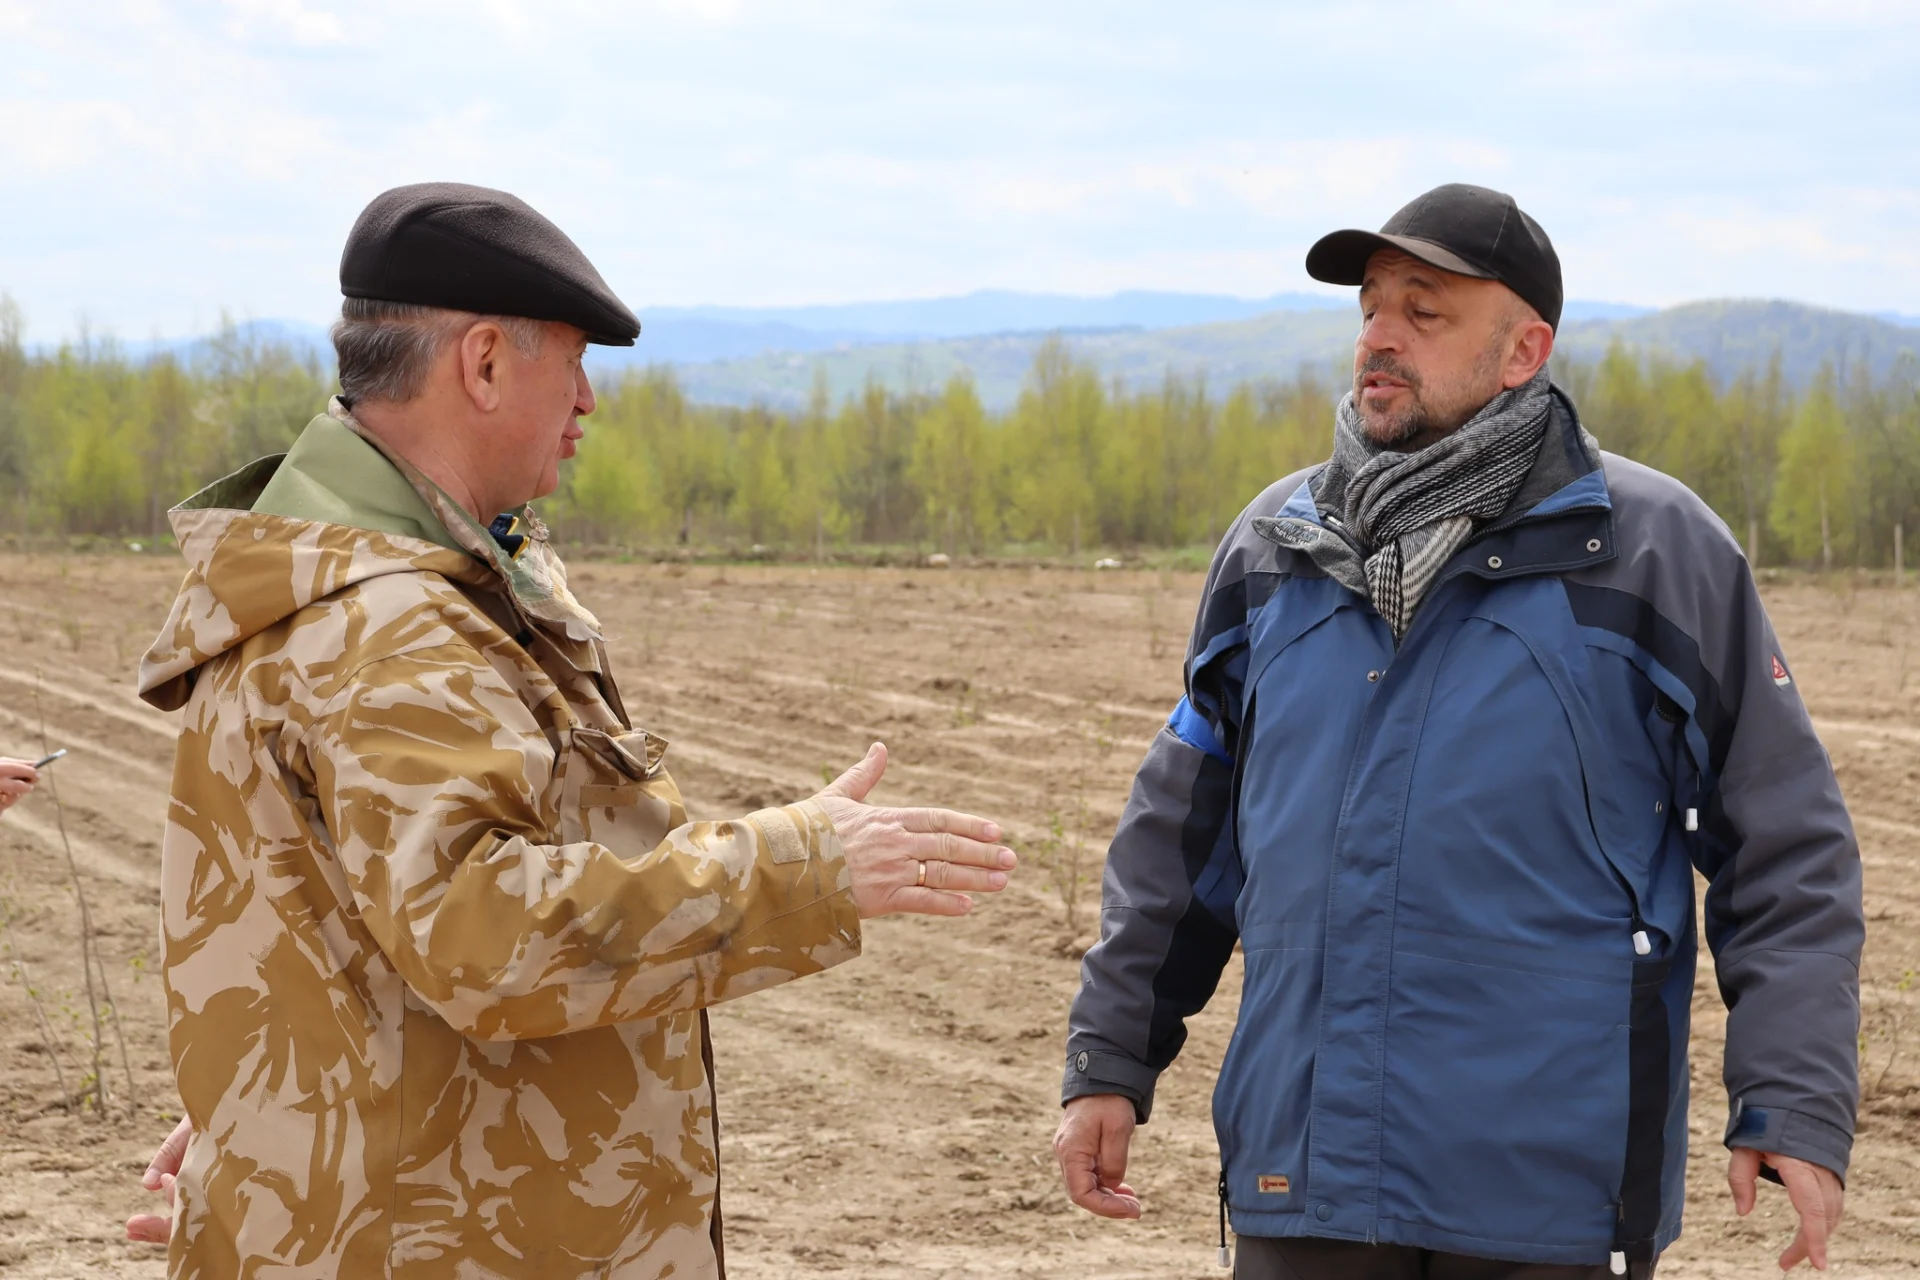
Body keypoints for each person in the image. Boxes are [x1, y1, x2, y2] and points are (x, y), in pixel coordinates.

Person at [124, 182, 1016, 1279]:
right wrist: (802, 864)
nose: (588, 400)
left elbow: (340, 923)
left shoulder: (387, 578)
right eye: (574, 362)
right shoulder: (391, 629)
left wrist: (283, 1110)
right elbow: (483, 931)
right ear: (485, 363)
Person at [1053, 183, 1862, 1278]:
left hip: (1548, 1194)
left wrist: (1793, 1101)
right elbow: (1179, 836)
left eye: (1423, 311)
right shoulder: (1274, 549)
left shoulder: (1656, 552)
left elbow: (1787, 843)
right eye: (1371, 308)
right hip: (1306, 1178)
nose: (1379, 337)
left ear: (1524, 350)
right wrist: (1110, 1058)